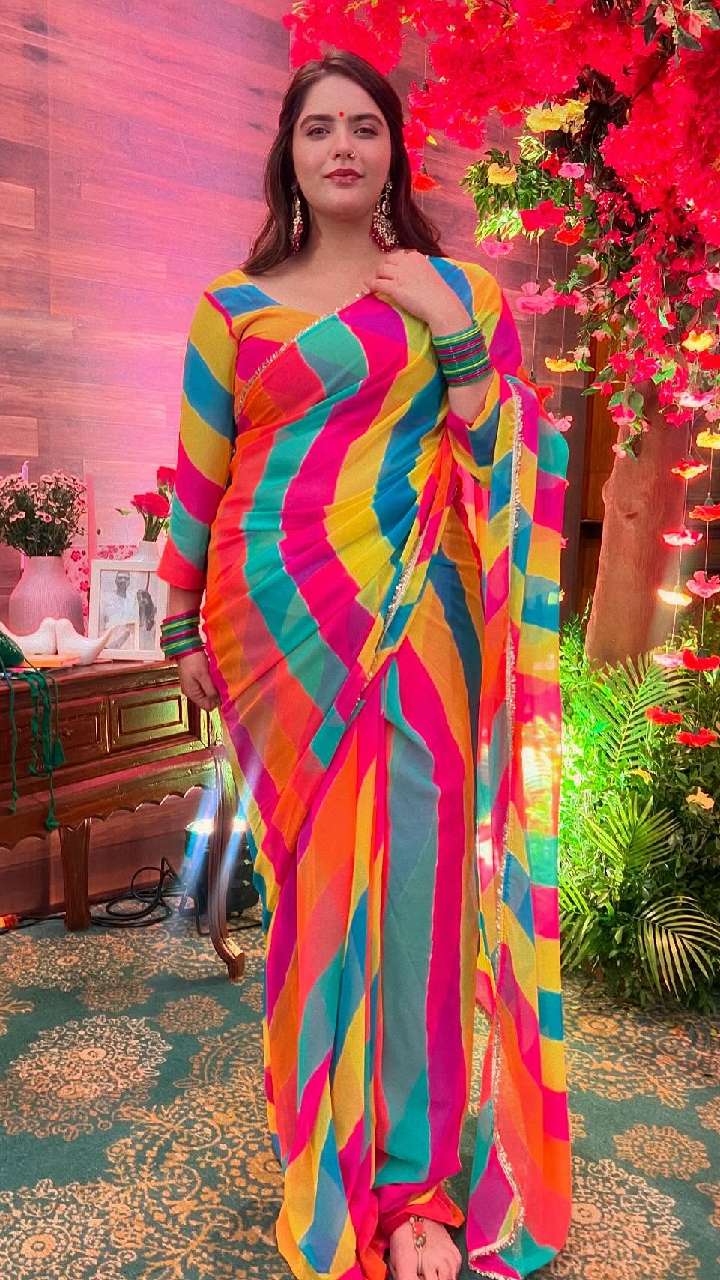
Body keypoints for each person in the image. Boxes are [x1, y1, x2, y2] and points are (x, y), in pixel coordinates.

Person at [157, 50, 571, 1280]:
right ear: (287, 155)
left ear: (395, 152)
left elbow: (499, 448)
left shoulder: (457, 290)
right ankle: (326, 1148)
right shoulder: (233, 308)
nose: (342, 147)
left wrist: (453, 331)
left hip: (422, 620)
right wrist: (178, 627)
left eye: (365, 128)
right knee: (319, 894)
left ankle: (416, 1186)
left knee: (424, 901)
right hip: (271, 630)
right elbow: (199, 478)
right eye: (318, 128)